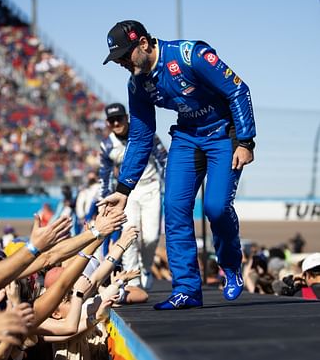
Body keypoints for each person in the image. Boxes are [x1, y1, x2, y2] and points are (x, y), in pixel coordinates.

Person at [100, 20, 256, 309]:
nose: (121, 62)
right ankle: (186, 289)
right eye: (117, 58)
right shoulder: (137, 83)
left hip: (224, 133)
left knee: (216, 207)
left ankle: (231, 265)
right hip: (187, 137)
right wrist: (124, 189)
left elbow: (238, 90)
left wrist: (246, 141)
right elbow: (141, 136)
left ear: (143, 43)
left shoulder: (190, 55)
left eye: (125, 55)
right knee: (174, 208)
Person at [99, 102, 167, 289]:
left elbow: (164, 158)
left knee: (151, 237)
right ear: (107, 123)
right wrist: (104, 199)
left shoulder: (145, 134)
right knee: (130, 233)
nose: (115, 123)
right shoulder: (107, 145)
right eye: (111, 121)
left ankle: (145, 268)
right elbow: (103, 175)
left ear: (126, 118)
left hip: (150, 188)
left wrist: (166, 185)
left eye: (118, 119)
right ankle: (132, 277)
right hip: (127, 192)